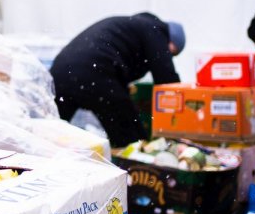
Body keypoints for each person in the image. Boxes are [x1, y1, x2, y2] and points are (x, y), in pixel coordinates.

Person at [50, 13, 185, 148]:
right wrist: (183, 124)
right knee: (131, 138)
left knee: (50, 136)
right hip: (93, 71)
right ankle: (134, 158)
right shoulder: (155, 31)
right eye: (171, 53)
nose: (169, 56)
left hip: (61, 71)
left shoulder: (134, 27)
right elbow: (166, 78)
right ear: (171, 41)